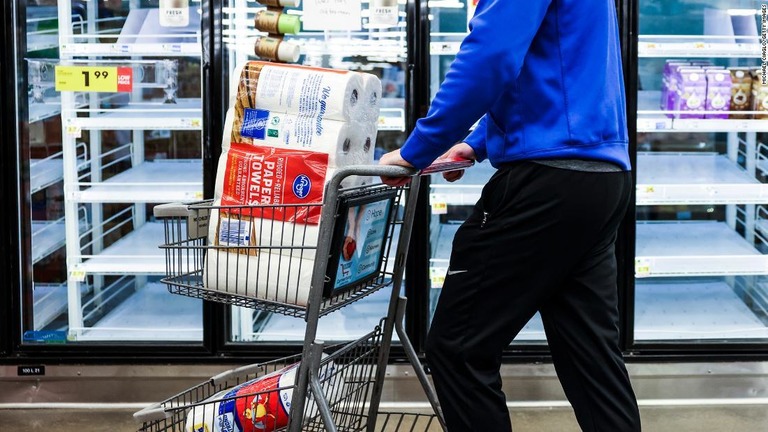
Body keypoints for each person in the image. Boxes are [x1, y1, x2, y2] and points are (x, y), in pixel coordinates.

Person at [378, 0, 642, 430]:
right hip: (599, 178)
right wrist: (476, 142)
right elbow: (557, 67)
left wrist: (415, 152)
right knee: (590, 357)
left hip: (546, 181)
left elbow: (493, 56)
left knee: (458, 348)